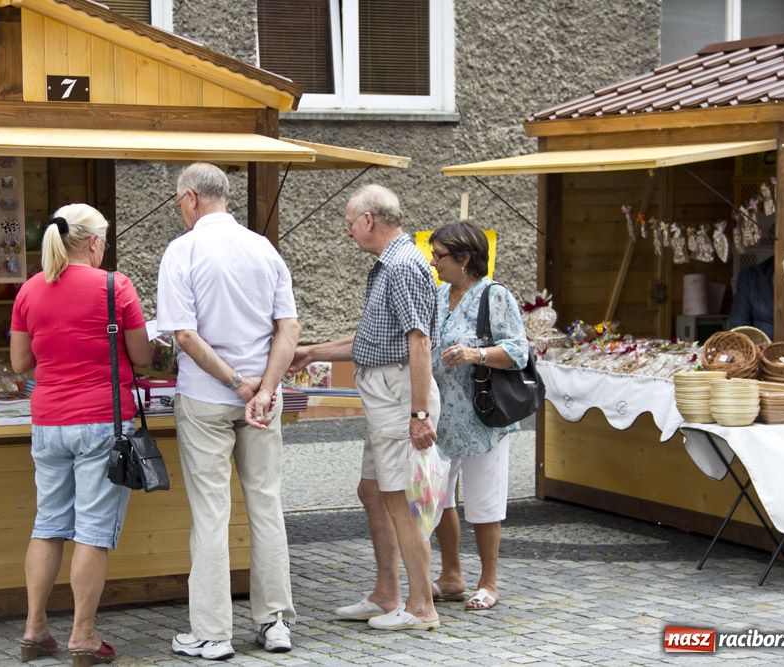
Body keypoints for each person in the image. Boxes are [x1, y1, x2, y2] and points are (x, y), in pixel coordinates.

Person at [156, 162, 299, 661]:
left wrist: (236, 383)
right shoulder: (263, 249)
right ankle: (275, 620)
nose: (180, 210)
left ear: (191, 197)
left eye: (179, 202)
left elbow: (184, 335)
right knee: (266, 505)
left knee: (212, 515)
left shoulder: (183, 251)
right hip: (263, 398)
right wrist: (265, 388)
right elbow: (289, 328)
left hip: (208, 397)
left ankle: (213, 632)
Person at [289, 183, 441, 631]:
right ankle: (386, 592)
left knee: (400, 499)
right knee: (373, 491)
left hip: (398, 396)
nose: (349, 232)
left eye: (350, 223)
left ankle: (420, 607)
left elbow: (420, 341)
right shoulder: (390, 264)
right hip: (387, 394)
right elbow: (373, 340)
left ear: (369, 220)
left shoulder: (402, 266)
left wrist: (418, 414)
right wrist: (312, 351)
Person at [10, 203, 152, 666]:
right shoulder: (116, 286)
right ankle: (83, 636)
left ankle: (34, 630)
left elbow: (19, 364)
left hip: (48, 422)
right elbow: (142, 356)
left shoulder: (30, 290)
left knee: (48, 524)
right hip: (103, 424)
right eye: (104, 241)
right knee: (91, 532)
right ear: (94, 242)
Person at [427, 221, 529, 611]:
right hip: (440, 415)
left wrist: (476, 354)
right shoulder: (437, 295)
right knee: (438, 496)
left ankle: (489, 582)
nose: (434, 262)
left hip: (482, 415)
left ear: (465, 258)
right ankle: (451, 575)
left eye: (440, 256)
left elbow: (519, 351)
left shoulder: (494, 296)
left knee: (484, 500)